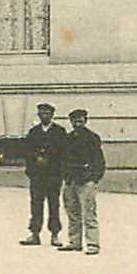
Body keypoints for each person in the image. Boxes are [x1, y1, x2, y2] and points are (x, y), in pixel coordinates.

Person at [19, 102, 68, 246]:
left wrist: (59, 170)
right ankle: (34, 233)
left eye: (47, 113)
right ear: (39, 115)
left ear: (52, 115)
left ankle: (55, 234)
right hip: (38, 176)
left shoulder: (60, 132)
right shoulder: (34, 132)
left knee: (54, 204)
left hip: (53, 175)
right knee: (36, 204)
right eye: (42, 113)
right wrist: (33, 167)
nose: (44, 116)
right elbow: (27, 152)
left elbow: (64, 153)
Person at [58, 108, 105, 255]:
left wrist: (93, 179)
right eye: (74, 121)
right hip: (71, 181)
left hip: (86, 181)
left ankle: (93, 244)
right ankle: (74, 241)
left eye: (80, 120)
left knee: (89, 213)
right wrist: (65, 177)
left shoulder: (92, 138)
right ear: (71, 122)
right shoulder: (67, 138)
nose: (77, 123)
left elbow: (99, 162)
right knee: (72, 213)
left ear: (86, 121)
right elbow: (63, 160)